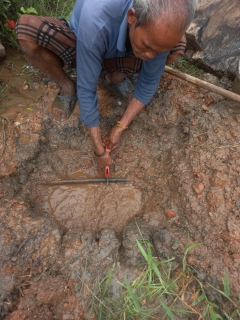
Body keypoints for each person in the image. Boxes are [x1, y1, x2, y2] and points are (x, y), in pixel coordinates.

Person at [16, 0, 195, 169]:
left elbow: (149, 81)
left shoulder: (155, 37)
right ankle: (67, 86)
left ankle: (113, 76)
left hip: (118, 48)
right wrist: (98, 150)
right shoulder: (96, 17)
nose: (151, 56)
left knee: (178, 46)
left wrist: (120, 127)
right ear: (132, 17)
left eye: (158, 51)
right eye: (147, 46)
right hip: (83, 44)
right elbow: (87, 88)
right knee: (26, 29)